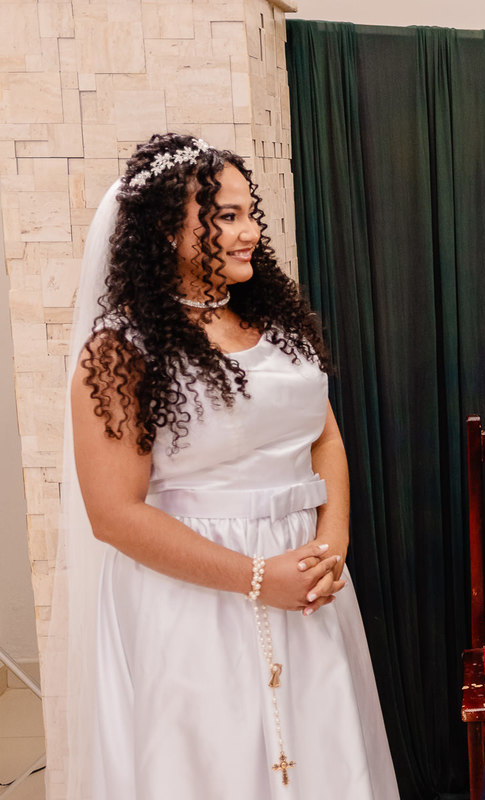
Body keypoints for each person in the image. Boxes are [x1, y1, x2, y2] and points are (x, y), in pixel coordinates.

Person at [48, 133, 401, 799]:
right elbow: (114, 515)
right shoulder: (122, 352)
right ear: (163, 231)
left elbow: (322, 435)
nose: (250, 232)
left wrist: (333, 541)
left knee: (323, 756)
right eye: (226, 216)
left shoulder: (272, 323)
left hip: (307, 586)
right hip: (194, 599)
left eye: (249, 213)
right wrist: (257, 578)